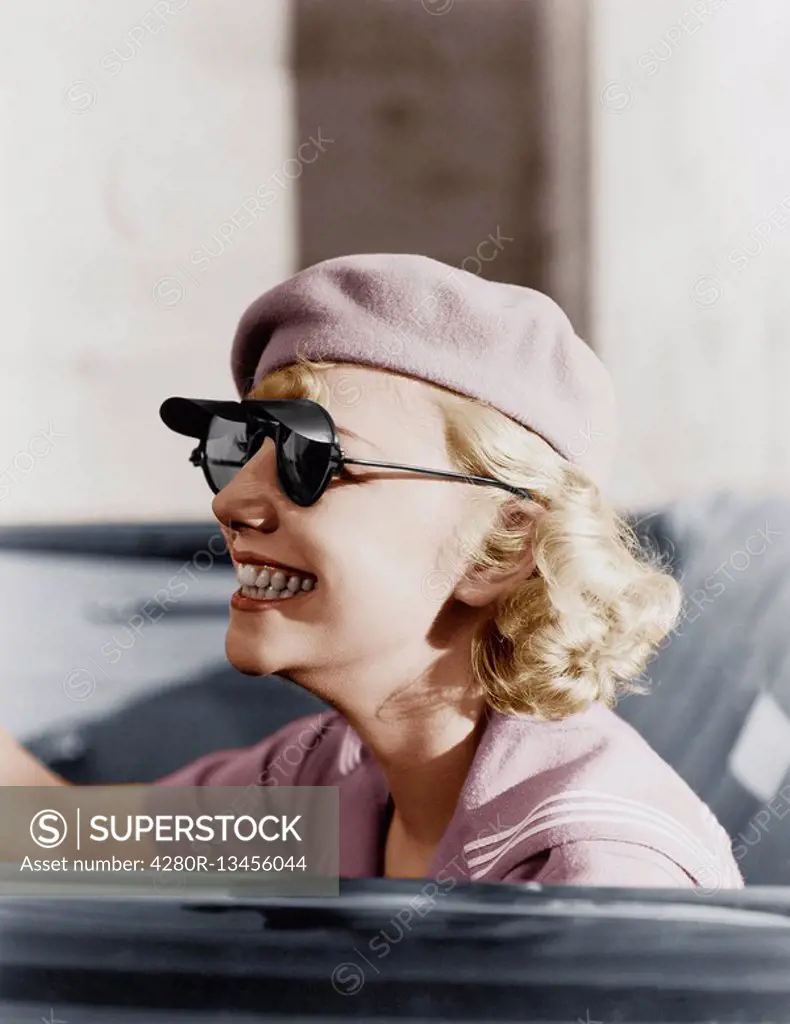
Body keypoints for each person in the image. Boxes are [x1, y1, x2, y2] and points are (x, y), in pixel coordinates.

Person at [5, 253, 742, 888]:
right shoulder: (336, 779)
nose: (231, 501)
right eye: (238, 449)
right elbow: (64, 848)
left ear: (505, 542)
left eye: (312, 458)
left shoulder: (598, 877)